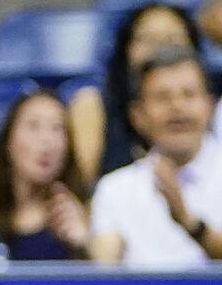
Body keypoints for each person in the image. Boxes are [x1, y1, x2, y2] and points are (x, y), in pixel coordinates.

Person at [0, 89, 109, 265]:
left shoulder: (87, 214)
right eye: (33, 126)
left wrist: (82, 246)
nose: (46, 140)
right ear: (8, 142)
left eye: (57, 129)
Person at [89, 45, 222, 269]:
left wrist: (190, 223)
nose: (177, 107)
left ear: (210, 107)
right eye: (162, 97)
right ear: (137, 116)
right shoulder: (114, 190)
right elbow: (105, 275)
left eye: (188, 94)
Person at [67, 2, 202, 182]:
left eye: (172, 39)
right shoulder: (93, 106)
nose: (160, 48)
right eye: (147, 39)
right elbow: (78, 190)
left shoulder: (214, 110)